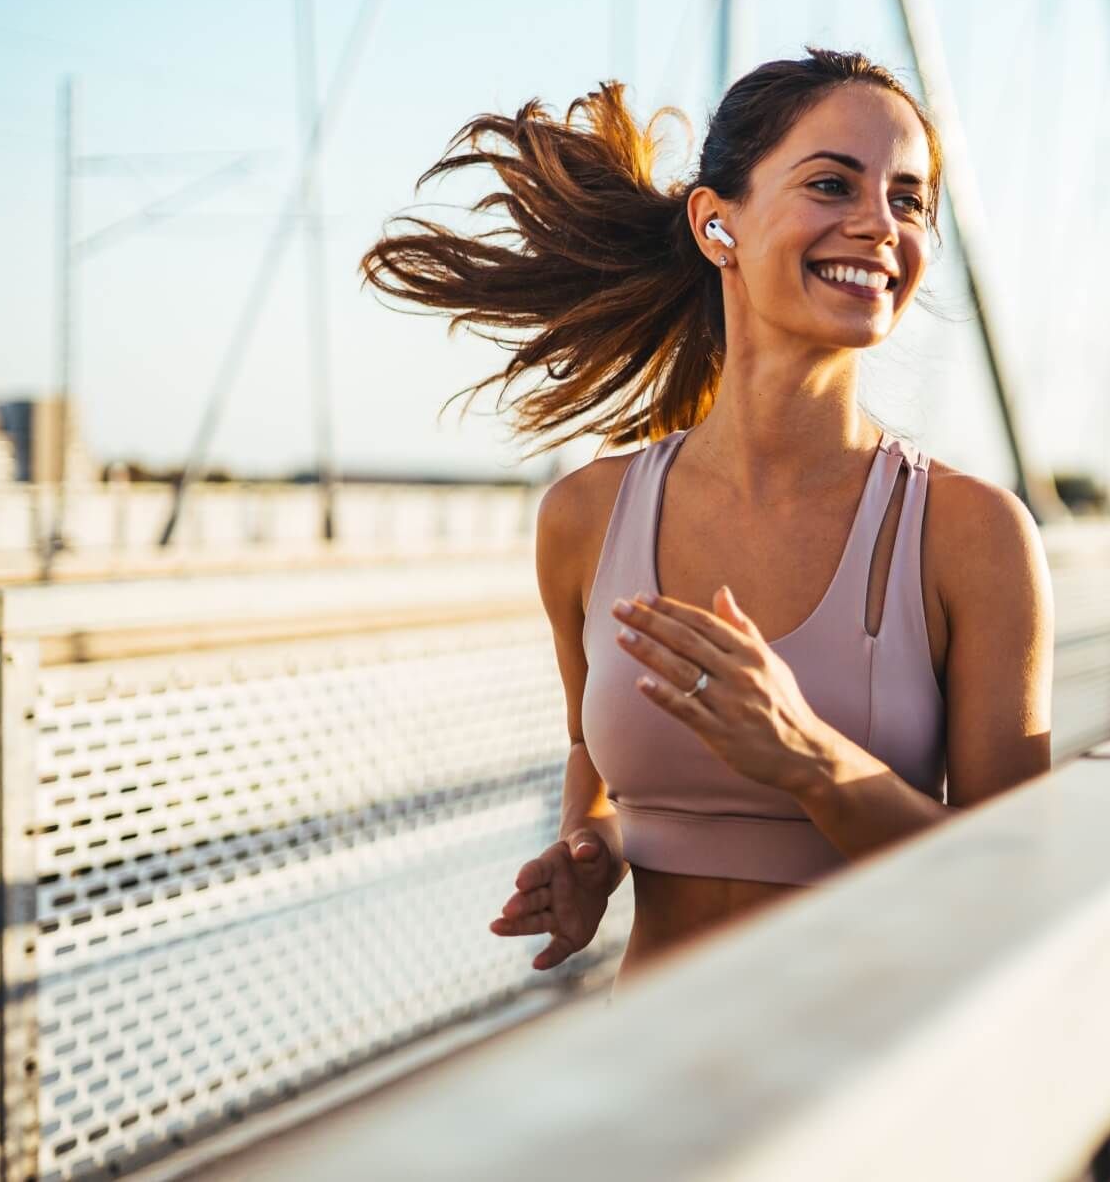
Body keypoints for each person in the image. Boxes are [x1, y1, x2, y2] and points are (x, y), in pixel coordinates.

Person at [359, 49, 1054, 983]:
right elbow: (590, 753)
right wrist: (588, 851)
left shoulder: (972, 536)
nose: (880, 224)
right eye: (831, 182)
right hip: (649, 1090)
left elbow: (1012, 886)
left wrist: (809, 757)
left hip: (877, 1091)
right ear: (716, 223)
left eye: (910, 198)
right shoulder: (586, 518)